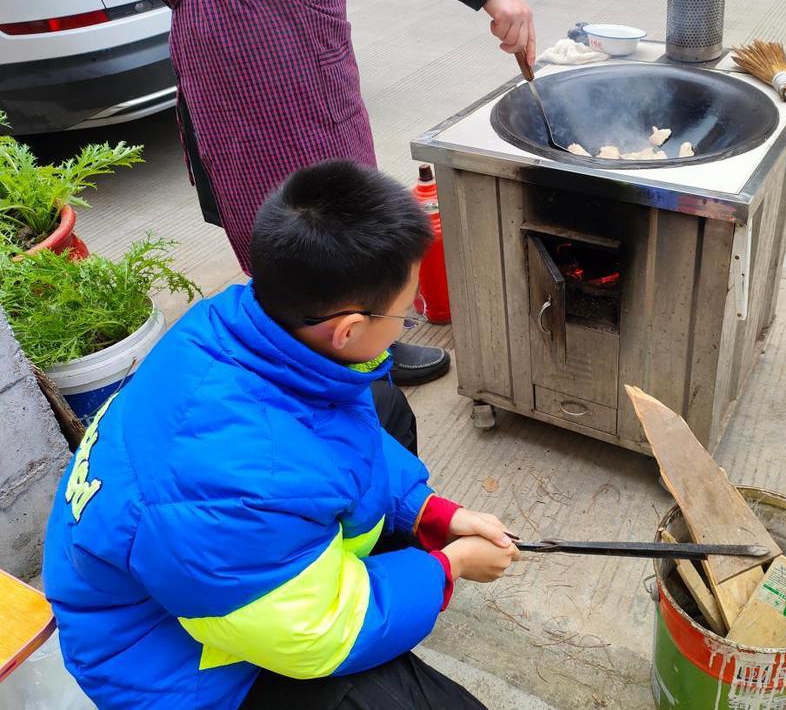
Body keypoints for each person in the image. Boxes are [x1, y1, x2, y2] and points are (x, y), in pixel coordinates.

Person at [42, 161, 520, 709]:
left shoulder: (237, 322)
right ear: (349, 329)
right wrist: (447, 570)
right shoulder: (245, 480)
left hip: (211, 557)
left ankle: (340, 566)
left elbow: (335, 434)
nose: (409, 316)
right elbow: (316, 636)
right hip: (175, 667)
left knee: (382, 403)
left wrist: (429, 512)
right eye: (405, 313)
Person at [158, 0, 537, 386]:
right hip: (258, 22)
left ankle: (368, 335)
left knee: (340, 176)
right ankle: (330, 364)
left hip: (282, 5)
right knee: (303, 201)